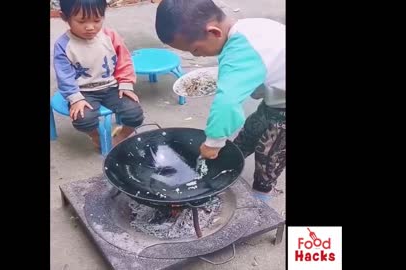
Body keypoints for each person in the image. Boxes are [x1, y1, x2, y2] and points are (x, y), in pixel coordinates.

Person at [155, 0, 285, 201]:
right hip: (275, 99)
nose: (195, 55)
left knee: (269, 155)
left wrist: (213, 142)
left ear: (213, 32)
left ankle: (261, 199)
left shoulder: (242, 52)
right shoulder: (248, 29)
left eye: (195, 50)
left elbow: (227, 103)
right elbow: (266, 64)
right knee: (252, 130)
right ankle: (228, 162)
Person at [53, 0, 144, 150]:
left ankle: (121, 136)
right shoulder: (63, 45)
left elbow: (124, 60)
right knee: (83, 120)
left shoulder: (110, 36)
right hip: (83, 92)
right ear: (64, 17)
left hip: (111, 87)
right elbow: (64, 76)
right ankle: (96, 136)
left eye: (97, 20)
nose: (90, 27)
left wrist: (126, 84)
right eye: (81, 21)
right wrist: (75, 98)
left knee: (135, 114)